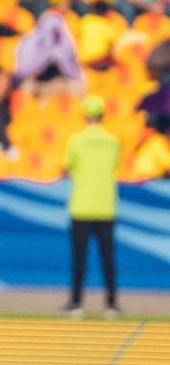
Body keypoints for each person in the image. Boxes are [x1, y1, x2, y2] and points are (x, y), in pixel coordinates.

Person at [61, 96, 121, 319]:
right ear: (103, 114)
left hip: (82, 206)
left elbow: (67, 168)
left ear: (85, 115)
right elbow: (115, 165)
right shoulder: (113, 141)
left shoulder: (76, 141)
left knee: (79, 259)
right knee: (108, 259)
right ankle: (111, 304)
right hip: (106, 206)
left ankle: (76, 303)